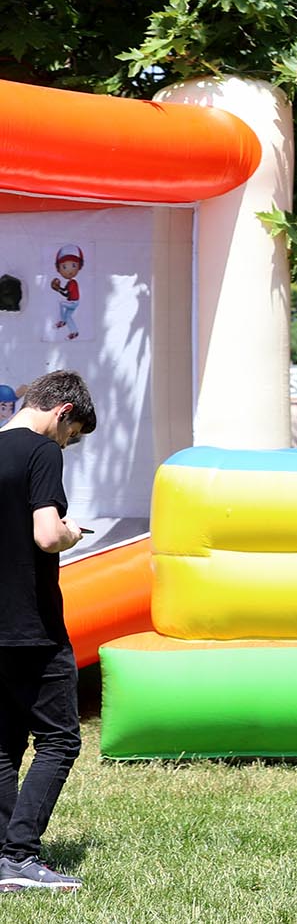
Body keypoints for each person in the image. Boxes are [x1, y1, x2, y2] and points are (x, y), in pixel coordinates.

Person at [0, 371, 95, 891]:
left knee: (4, 742)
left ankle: (2, 852)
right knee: (59, 741)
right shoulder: (42, 452)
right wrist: (71, 532)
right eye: (73, 434)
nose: (68, 444)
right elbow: (46, 534)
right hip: (32, 625)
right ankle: (19, 856)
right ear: (61, 411)